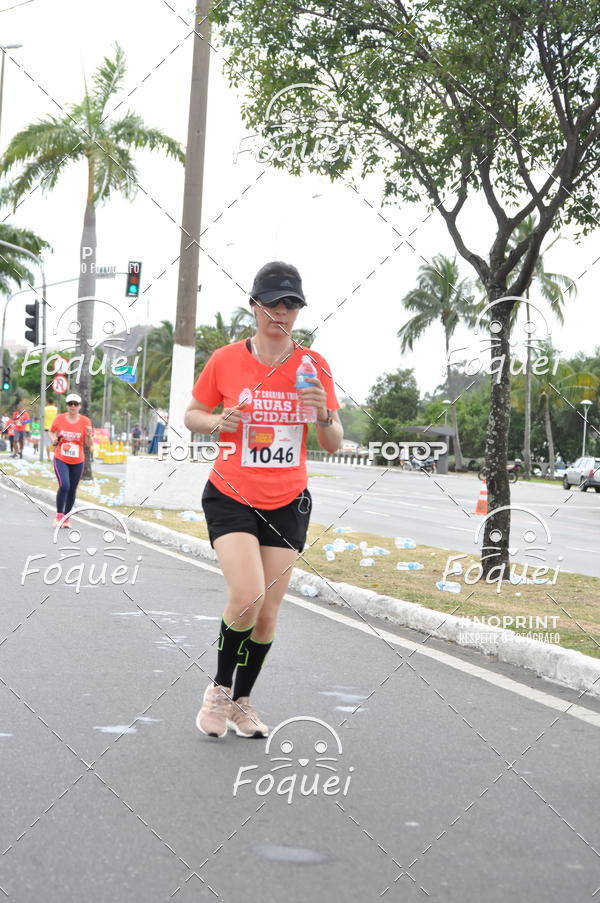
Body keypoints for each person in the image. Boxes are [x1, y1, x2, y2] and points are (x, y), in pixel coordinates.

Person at [184, 261, 343, 739]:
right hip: (231, 495)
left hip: (288, 500)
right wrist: (216, 423)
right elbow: (193, 414)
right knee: (247, 596)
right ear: (254, 306)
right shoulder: (226, 360)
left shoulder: (313, 366)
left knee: (268, 612)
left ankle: (242, 702)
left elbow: (334, 440)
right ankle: (218, 689)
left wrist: (322, 416)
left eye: (291, 303)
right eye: (273, 302)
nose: (282, 312)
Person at [49, 392, 93, 528]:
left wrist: (89, 435)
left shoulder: (86, 421)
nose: (73, 406)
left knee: (72, 489)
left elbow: (88, 444)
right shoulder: (59, 419)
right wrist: (54, 439)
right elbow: (51, 431)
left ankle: (67, 519)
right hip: (61, 458)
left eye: (75, 404)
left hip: (78, 460)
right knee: (64, 485)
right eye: (70, 404)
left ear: (79, 406)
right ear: (67, 406)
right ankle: (59, 516)